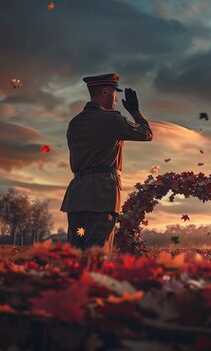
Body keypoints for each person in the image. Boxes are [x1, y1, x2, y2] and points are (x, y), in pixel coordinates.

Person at [60, 73, 153, 257]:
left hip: (77, 197)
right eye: (114, 93)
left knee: (75, 254)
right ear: (105, 92)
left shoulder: (75, 123)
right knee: (97, 255)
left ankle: (73, 285)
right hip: (101, 196)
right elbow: (146, 134)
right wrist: (135, 111)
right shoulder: (111, 119)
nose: (117, 99)